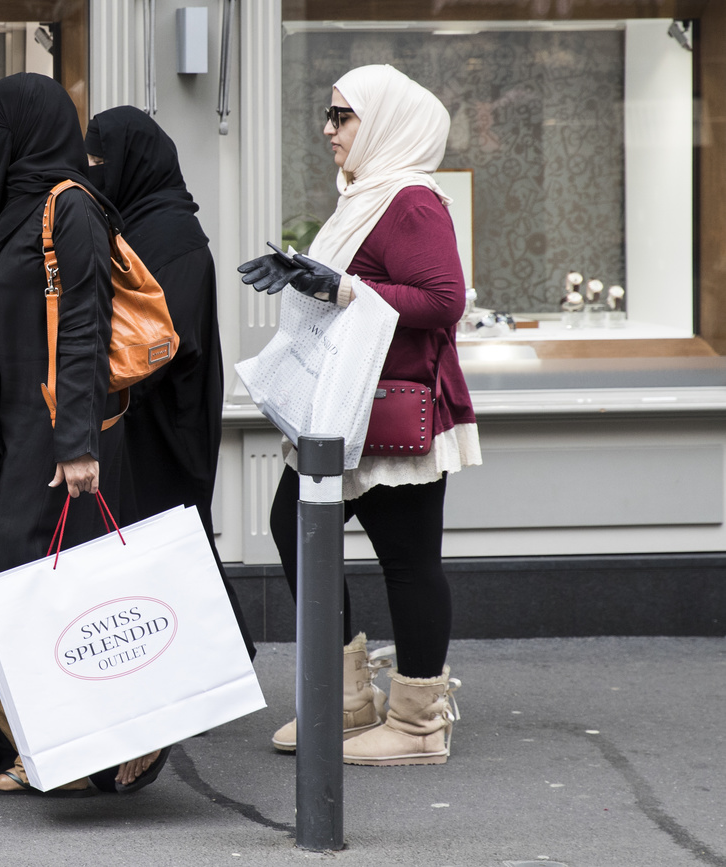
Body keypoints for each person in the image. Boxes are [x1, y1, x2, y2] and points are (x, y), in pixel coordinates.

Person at [0, 73, 166, 795]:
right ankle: (11, 743)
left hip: (57, 437)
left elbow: (87, 330)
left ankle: (107, 744)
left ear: (27, 131)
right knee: (17, 585)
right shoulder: (20, 209)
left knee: (31, 584)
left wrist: (78, 444)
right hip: (17, 433)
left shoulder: (73, 210)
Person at [238, 64, 481, 766]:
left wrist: (342, 285)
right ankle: (343, 701)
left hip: (393, 411)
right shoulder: (368, 196)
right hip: (347, 406)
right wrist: (304, 273)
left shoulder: (411, 199)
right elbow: (365, 287)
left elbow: (443, 301)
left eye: (341, 116)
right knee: (294, 524)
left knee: (408, 561)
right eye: (329, 113)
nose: (327, 129)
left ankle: (417, 724)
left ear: (381, 123)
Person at [83, 106, 255, 659]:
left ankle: (218, 660)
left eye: (101, 159)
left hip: (167, 416)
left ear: (134, 163)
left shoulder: (174, 236)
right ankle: (202, 664)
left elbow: (168, 339)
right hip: (144, 411)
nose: (93, 170)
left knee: (171, 535)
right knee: (161, 539)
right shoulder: (137, 224)